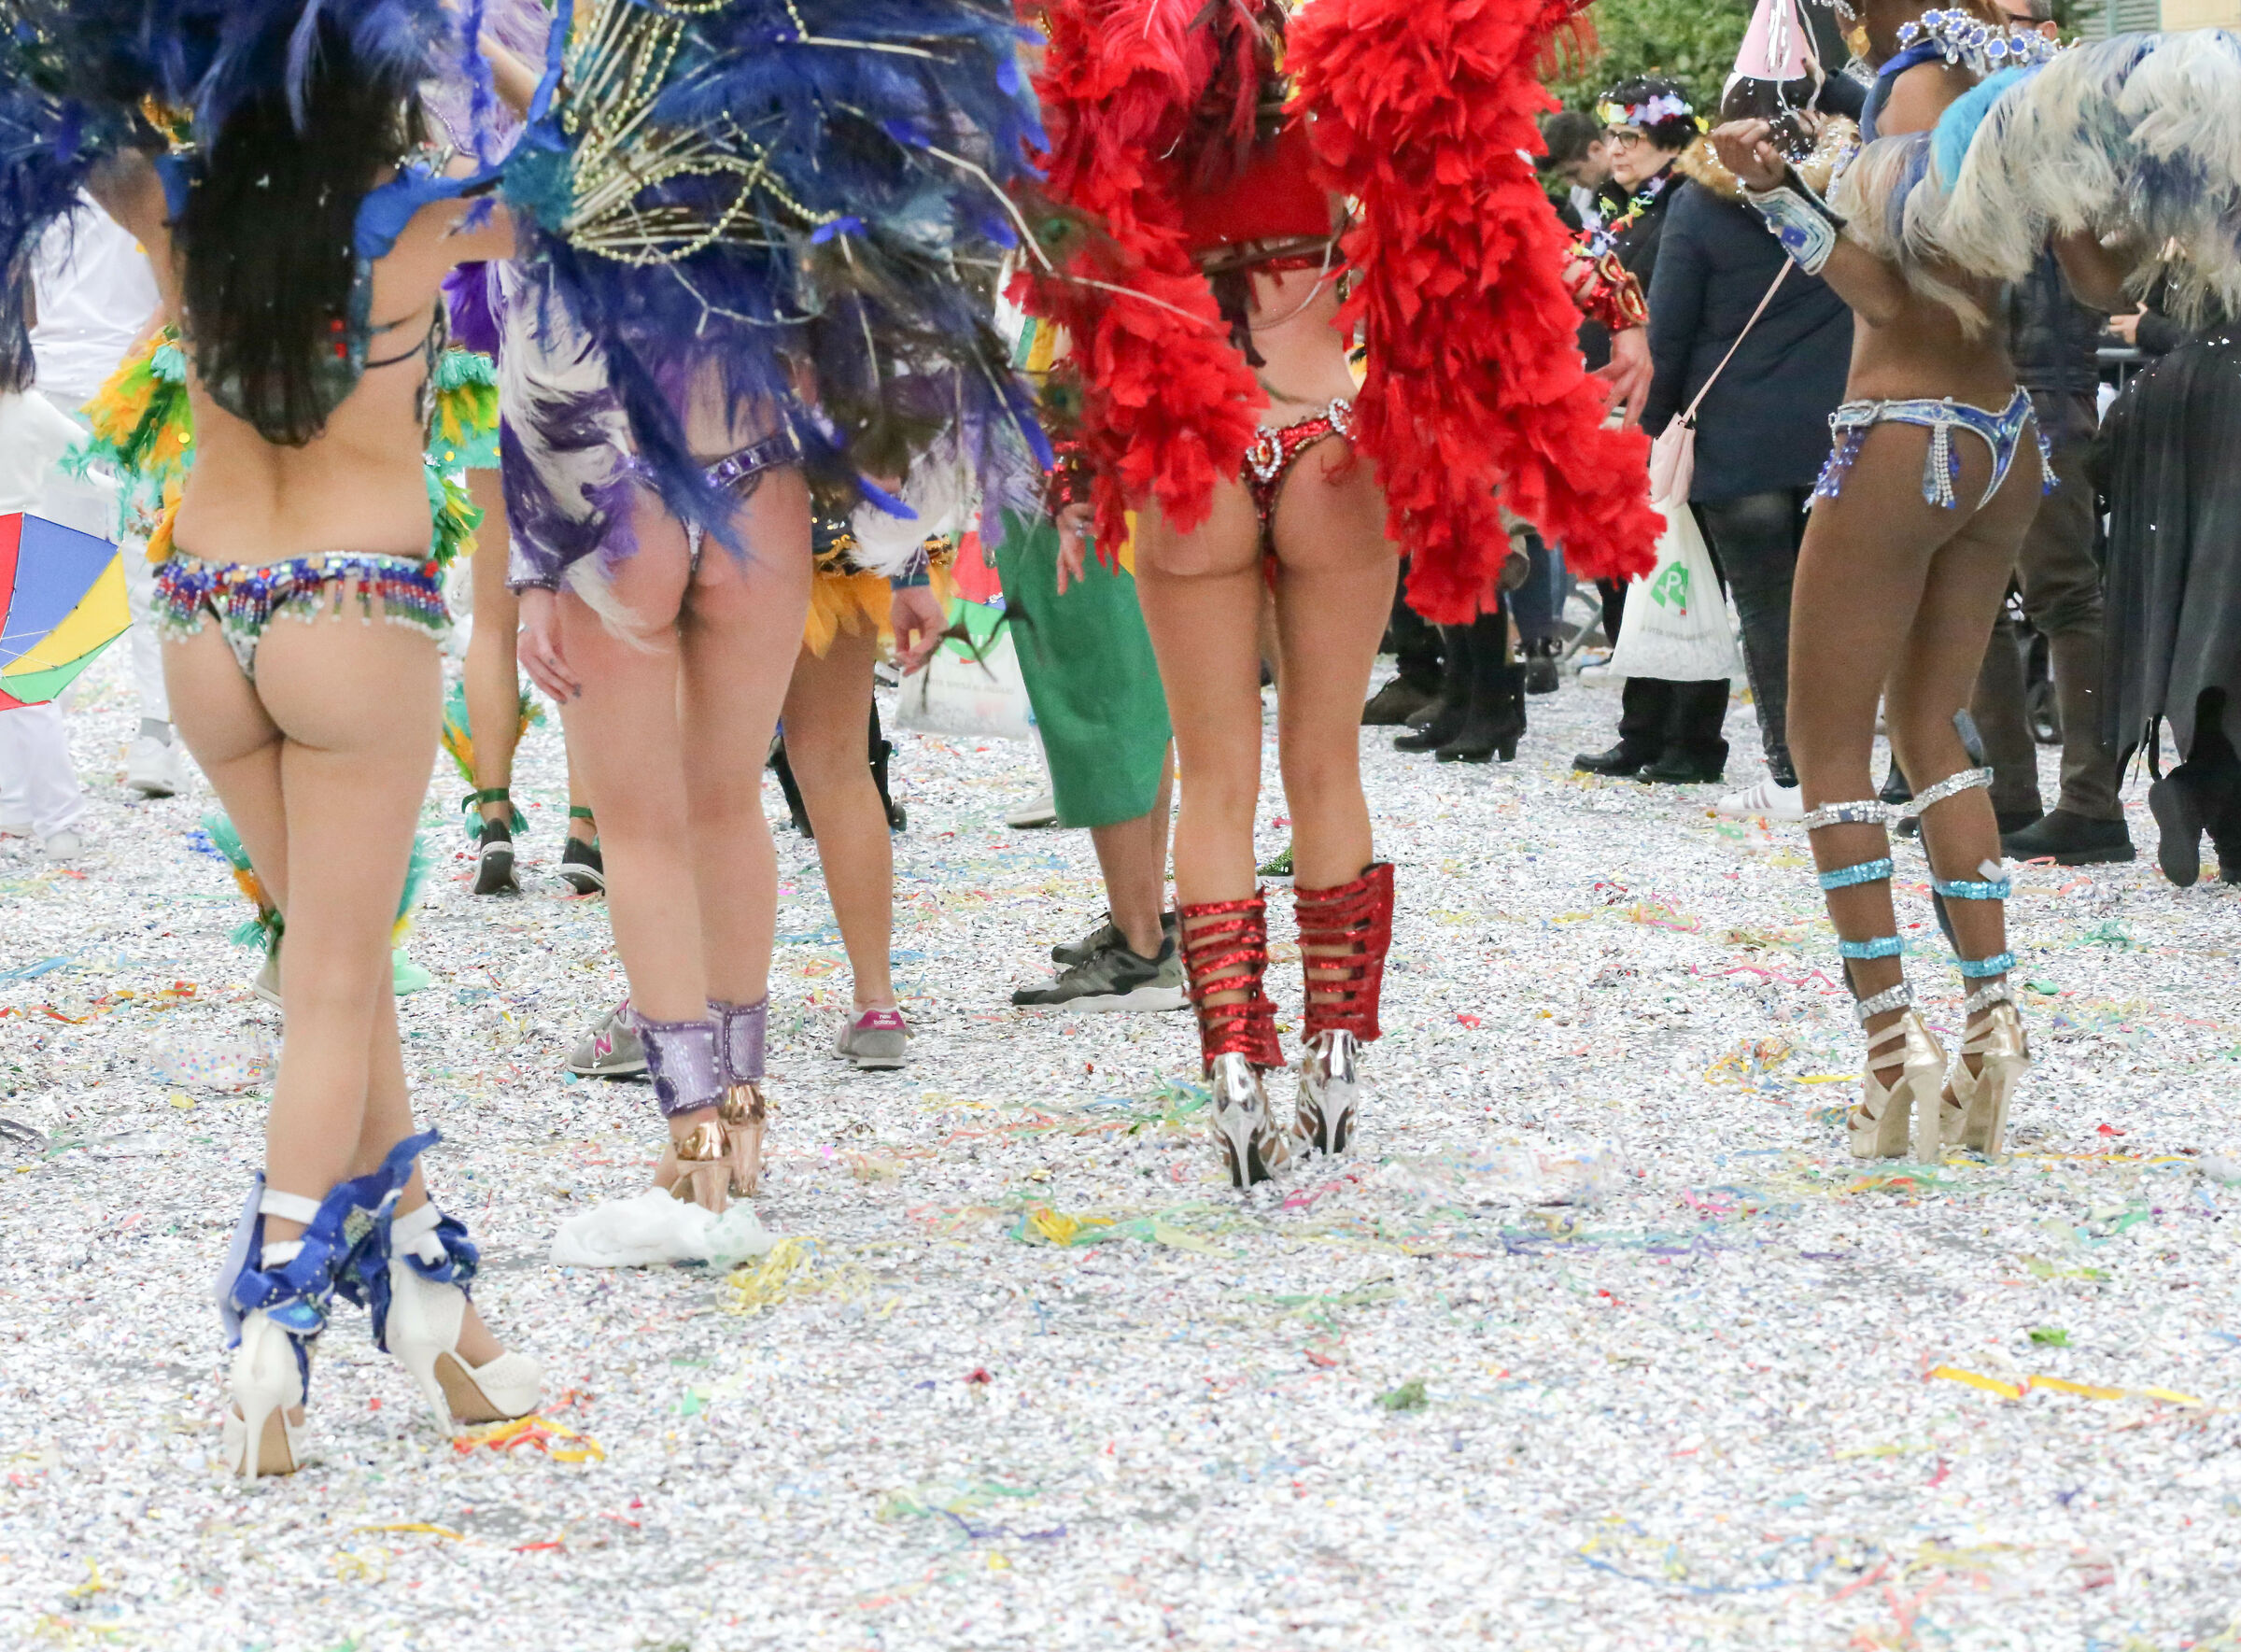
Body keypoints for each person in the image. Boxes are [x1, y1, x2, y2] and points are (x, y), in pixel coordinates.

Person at [2, 8, 549, 1476]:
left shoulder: (175, 205)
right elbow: (576, 171)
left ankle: (436, 1292)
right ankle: (272, 1326)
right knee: (330, 984)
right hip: (354, 617)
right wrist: (483, 40)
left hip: (203, 623)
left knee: (331, 961)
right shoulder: (418, 219)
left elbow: (59, 97)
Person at [1022, 0, 1657, 1185]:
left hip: (1192, 458)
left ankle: (1231, 1081)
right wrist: (1617, 300)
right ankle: (1334, 1062)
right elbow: (1492, 233)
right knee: (1327, 765)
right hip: (1330, 449)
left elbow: (1077, 309)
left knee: (1213, 777)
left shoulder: (1124, 138)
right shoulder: (1338, 124)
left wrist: (1073, 475)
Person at [1712, 0, 2067, 1162]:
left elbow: (1886, 295)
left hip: (1906, 427)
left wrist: (1772, 198)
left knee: (1827, 749)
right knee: (1931, 726)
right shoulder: (2031, 86)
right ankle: (1993, 1021)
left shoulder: (1917, 81)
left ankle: (1889, 1052)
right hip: (2006, 434)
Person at [1638, 93, 1857, 821]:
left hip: (1737, 436)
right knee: (1845, 608)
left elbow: (1669, 327)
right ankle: (1868, 769)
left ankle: (1793, 772)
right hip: (1838, 429)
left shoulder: (1699, 204)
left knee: (1766, 610)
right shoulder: (1844, 193)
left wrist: (1657, 420)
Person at [1573, 79, 1741, 787]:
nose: (1614, 150)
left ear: (1670, 139)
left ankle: (1694, 735)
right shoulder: (1626, 207)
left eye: (1630, 137)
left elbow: (1671, 314)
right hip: (1611, 405)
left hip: (1667, 412)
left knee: (1682, 572)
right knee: (1623, 574)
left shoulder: (1687, 205)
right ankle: (1641, 725)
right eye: (1610, 136)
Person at [1966, 247, 2133, 864]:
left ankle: (2089, 802)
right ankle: (2017, 792)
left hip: (2040, 399)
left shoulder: (2049, 170)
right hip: (2003, 395)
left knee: (2061, 595)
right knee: (1978, 598)